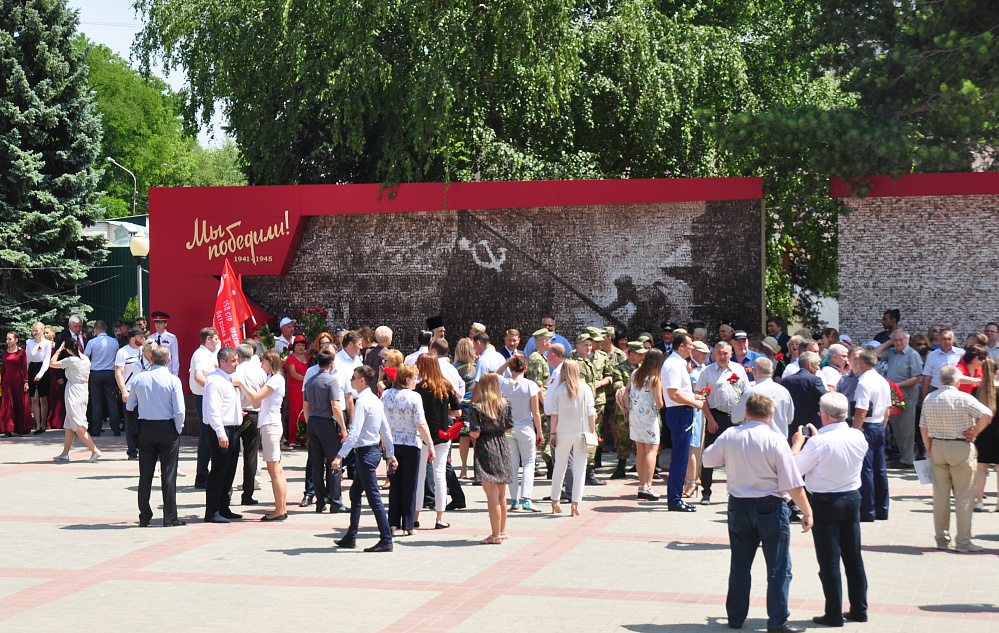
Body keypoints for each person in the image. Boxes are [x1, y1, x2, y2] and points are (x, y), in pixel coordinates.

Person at [702, 393, 813, 633]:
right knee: (778, 567)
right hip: (770, 506)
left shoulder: (731, 435)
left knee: (740, 565)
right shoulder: (775, 440)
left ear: (747, 412)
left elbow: (708, 459)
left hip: (739, 505)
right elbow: (793, 483)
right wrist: (807, 511)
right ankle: (777, 621)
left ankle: (735, 617)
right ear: (771, 415)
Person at [790, 392, 869, 627]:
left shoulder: (819, 442)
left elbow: (794, 469)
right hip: (852, 497)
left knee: (829, 561)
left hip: (825, 502)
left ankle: (833, 613)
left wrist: (798, 444)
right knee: (853, 558)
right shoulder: (857, 436)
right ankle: (859, 609)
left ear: (824, 415)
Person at [920, 365, 993, 552]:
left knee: (940, 496)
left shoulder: (929, 398)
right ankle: (963, 541)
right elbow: (987, 413)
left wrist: (929, 449)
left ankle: (941, 539)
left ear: (940, 380)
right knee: (964, 496)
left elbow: (923, 427)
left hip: (937, 446)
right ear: (958, 381)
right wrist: (975, 431)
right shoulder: (963, 397)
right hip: (960, 446)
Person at [333, 366, 397, 552]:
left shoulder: (362, 402)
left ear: (362, 380)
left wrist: (340, 456)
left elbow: (354, 433)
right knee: (355, 493)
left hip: (366, 454)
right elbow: (386, 429)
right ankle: (351, 536)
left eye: (353, 377)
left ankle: (386, 539)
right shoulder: (376, 400)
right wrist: (390, 454)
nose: (351, 381)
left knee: (374, 498)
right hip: (372, 453)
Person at [126, 344, 186, 527]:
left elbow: (130, 405)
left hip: (145, 428)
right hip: (167, 427)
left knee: (145, 474)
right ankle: (170, 517)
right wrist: (178, 428)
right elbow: (180, 410)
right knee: (169, 473)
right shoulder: (173, 380)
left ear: (151, 359)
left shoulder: (139, 378)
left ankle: (144, 516)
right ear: (169, 361)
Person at [232, 350, 288, 521]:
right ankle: (281, 508)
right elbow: (256, 402)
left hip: (271, 425)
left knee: (274, 470)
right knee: (277, 469)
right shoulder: (272, 378)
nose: (262, 366)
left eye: (263, 362)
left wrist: (242, 384)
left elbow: (256, 398)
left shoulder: (276, 379)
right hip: (269, 424)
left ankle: (280, 510)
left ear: (270, 361)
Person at [381, 364, 435, 535]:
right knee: (409, 484)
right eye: (414, 378)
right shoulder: (414, 397)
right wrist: (430, 443)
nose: (416, 382)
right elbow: (420, 423)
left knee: (395, 483)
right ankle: (408, 524)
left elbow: (381, 420)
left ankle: (393, 522)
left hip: (392, 444)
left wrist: (383, 439)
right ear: (407, 379)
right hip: (411, 443)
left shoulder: (386, 394)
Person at [697, 341, 750, 505]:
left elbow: (746, 393)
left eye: (725, 353)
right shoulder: (707, 372)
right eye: (719, 353)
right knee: (709, 454)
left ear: (731, 354)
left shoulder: (739, 370)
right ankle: (706, 491)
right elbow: (701, 397)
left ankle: (737, 491)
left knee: (738, 456)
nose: (721, 356)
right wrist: (710, 419)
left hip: (736, 417)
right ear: (714, 354)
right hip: (716, 417)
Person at [415, 354, 462, 529]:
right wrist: (444, 412)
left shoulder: (418, 388)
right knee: (440, 475)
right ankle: (439, 519)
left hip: (422, 435)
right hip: (442, 434)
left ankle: (415, 517)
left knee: (420, 475)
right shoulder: (446, 386)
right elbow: (457, 412)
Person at [661, 332, 704, 511]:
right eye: (690, 345)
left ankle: (676, 497)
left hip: (681, 411)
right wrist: (695, 403)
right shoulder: (674, 365)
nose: (692, 348)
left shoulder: (678, 363)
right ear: (682, 346)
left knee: (682, 456)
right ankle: (675, 499)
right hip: (679, 412)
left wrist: (694, 397)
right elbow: (674, 394)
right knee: (680, 457)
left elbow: (680, 392)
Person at [470, 372, 515, 543]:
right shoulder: (505, 404)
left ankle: (495, 535)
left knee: (492, 495)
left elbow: (475, 432)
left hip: (486, 447)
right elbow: (509, 428)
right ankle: (502, 531)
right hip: (502, 445)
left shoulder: (477, 407)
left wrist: (469, 431)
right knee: (502, 494)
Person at [548, 359, 596, 516]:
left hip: (562, 433)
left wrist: (552, 433)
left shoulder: (558, 389)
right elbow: (591, 412)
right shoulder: (585, 388)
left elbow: (554, 414)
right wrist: (593, 431)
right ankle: (575, 504)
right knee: (580, 469)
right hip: (581, 433)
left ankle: (555, 501)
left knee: (559, 468)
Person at [303, 350, 348, 513]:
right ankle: (335, 502)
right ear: (332, 364)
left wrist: (309, 422)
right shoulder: (331, 381)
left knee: (316, 465)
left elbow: (305, 406)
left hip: (313, 421)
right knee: (335, 462)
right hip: (326, 422)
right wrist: (343, 428)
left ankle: (320, 501)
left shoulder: (310, 381)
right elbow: (335, 405)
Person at [203, 347, 243, 523]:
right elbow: (213, 410)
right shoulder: (215, 381)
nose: (236, 364)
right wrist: (220, 433)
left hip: (232, 429)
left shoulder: (228, 379)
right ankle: (212, 511)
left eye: (237, 360)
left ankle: (224, 507)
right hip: (221, 430)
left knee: (229, 471)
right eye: (233, 361)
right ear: (222, 361)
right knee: (219, 471)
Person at [497, 356, 542, 512]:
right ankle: (527, 499)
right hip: (526, 427)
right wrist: (539, 431)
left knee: (512, 465)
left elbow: (496, 374)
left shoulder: (503, 383)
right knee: (529, 463)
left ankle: (514, 500)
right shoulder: (531, 385)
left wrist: (507, 362)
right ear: (526, 369)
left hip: (508, 428)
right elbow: (535, 412)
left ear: (510, 368)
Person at [875, 329, 924, 468]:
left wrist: (898, 385)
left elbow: (917, 378)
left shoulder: (912, 355)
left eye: (901, 340)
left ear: (907, 340)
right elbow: (874, 354)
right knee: (896, 426)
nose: (898, 343)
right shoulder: (892, 352)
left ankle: (907, 459)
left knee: (906, 428)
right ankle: (903, 456)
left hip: (907, 393)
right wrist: (889, 342)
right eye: (895, 340)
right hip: (894, 394)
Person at [852, 350, 891, 522]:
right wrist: (882, 427)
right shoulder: (883, 381)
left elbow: (861, 410)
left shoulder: (863, 382)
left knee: (866, 469)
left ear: (861, 363)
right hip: (879, 424)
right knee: (880, 469)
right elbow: (887, 410)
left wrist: (855, 431)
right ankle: (882, 508)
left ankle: (868, 510)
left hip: (867, 425)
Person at [49, 340, 101, 461]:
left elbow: (52, 363)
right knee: (69, 423)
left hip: (73, 390)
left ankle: (94, 450)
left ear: (68, 349)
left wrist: (58, 350)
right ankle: (65, 454)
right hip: (83, 389)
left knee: (77, 423)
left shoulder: (71, 360)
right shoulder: (86, 359)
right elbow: (87, 377)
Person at [627, 348, 664, 500]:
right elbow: (659, 403)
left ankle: (642, 485)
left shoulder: (635, 373)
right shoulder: (655, 378)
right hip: (649, 417)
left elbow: (628, 390)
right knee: (652, 451)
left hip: (634, 416)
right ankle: (648, 486)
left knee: (640, 451)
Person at [232, 343, 266, 506]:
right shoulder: (260, 371)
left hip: (236, 413)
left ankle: (227, 493)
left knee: (231, 455)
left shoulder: (235, 371)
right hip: (254, 414)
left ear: (237, 356)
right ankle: (248, 494)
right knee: (251, 455)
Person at [733, 358, 795, 438]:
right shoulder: (784, 391)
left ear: (754, 371)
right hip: (779, 440)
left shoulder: (750, 393)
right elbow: (789, 420)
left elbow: (735, 418)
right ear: (772, 372)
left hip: (756, 440)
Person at [190, 327, 220, 488]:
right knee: (206, 437)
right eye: (216, 339)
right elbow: (199, 377)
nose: (218, 342)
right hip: (204, 398)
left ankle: (206, 474)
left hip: (207, 397)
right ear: (208, 339)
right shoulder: (201, 355)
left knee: (210, 436)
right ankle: (202, 477)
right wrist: (214, 390)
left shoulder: (209, 354)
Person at [116, 327, 146, 459]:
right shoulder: (123, 352)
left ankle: (144, 449)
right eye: (141, 337)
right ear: (133, 339)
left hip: (144, 392)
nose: (144, 339)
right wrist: (123, 391)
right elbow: (118, 373)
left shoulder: (145, 350)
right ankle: (132, 450)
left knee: (144, 422)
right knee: (130, 423)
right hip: (129, 391)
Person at [781, 351, 827, 438]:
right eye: (817, 365)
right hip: (812, 425)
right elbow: (825, 398)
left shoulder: (785, 381)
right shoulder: (815, 380)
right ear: (810, 365)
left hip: (791, 426)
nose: (818, 368)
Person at [973, 359, 999, 511]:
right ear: (997, 372)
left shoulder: (977, 391)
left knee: (981, 469)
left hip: (982, 432)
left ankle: (978, 501)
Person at [453, 337, 478, 479]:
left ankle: (463, 469)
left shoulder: (454, 367)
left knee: (463, 438)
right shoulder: (474, 366)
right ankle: (476, 470)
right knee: (475, 437)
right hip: (473, 405)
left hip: (461, 405)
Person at [1, 331, 32, 437]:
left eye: (10, 339)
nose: (7, 341)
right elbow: (3, 368)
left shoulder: (21, 352)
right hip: (7, 382)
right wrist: (1, 383)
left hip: (18, 381)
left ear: (16, 340)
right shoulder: (4, 352)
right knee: (8, 405)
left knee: (20, 404)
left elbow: (24, 367)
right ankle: (8, 429)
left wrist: (26, 381)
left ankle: (21, 429)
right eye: (7, 339)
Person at [921, 328, 964, 401]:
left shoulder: (961, 353)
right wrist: (924, 398)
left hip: (957, 393)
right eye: (944, 339)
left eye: (949, 339)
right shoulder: (931, 356)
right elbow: (927, 378)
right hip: (936, 392)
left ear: (953, 340)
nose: (947, 342)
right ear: (939, 340)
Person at [283, 335, 309, 448]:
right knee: (295, 413)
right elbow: (293, 374)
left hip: (307, 389)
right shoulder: (290, 358)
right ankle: (292, 438)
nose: (301, 347)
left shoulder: (308, 358)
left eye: (303, 345)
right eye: (298, 345)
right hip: (295, 389)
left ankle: (304, 437)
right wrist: (308, 379)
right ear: (294, 346)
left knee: (305, 413)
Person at [26, 322, 52, 434]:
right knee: (34, 398)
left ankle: (43, 423)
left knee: (43, 398)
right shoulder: (29, 342)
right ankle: (37, 425)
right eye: (33, 330)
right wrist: (27, 375)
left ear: (42, 331)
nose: (34, 332)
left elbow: (46, 360)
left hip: (43, 369)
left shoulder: (47, 343)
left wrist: (40, 374)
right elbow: (27, 359)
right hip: (32, 368)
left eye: (36, 330)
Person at [148, 311, 180, 376]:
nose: (158, 325)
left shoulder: (171, 338)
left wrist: (175, 374)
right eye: (156, 322)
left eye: (160, 322)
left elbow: (175, 358)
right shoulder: (150, 338)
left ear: (165, 323)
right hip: (153, 371)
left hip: (167, 370)